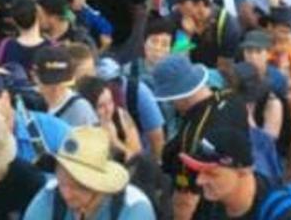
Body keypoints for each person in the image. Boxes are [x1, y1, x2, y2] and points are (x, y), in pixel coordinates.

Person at [151, 54, 247, 220]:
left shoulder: (194, 135)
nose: (171, 103)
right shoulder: (228, 99)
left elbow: (186, 201)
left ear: (180, 94)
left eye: (171, 99)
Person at [23, 126, 155, 219]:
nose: (66, 194)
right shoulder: (48, 198)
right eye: (62, 182)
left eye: (78, 186)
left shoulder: (134, 208)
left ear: (101, 184)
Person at [34, 45, 99, 127]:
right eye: (49, 83)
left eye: (61, 83)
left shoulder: (80, 109)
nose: (56, 89)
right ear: (35, 76)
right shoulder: (26, 102)